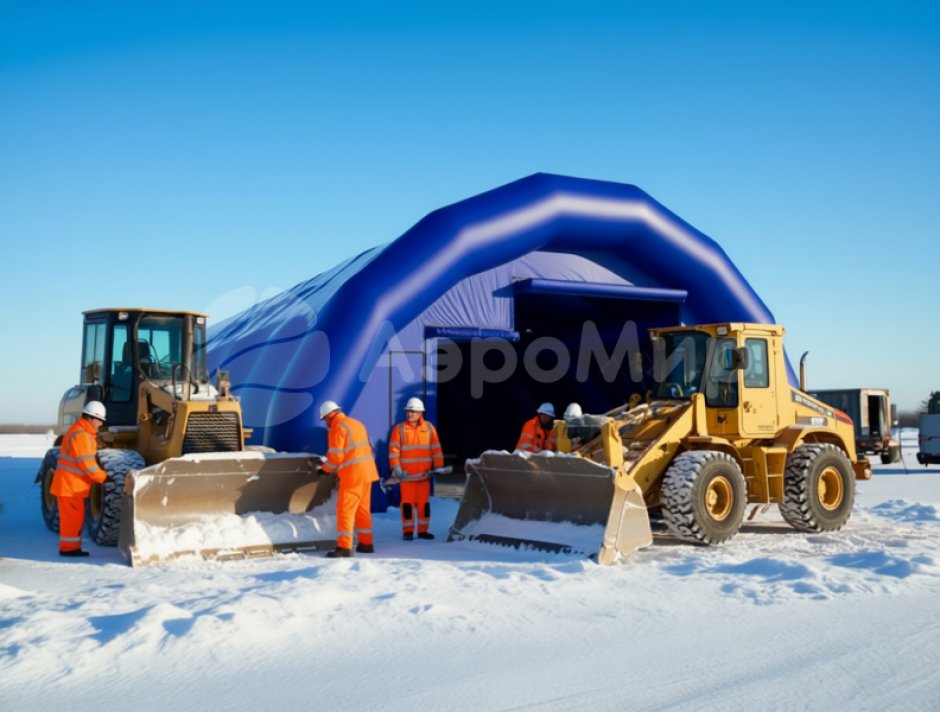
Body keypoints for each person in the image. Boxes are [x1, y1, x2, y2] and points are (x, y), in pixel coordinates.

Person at [318, 400, 379, 558]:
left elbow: (336, 457)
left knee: (345, 510)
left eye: (325, 419)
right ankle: (366, 544)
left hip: (353, 475)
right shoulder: (356, 423)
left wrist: (325, 470)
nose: (325, 423)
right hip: (368, 473)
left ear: (330, 415)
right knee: (362, 510)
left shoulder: (337, 428)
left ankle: (344, 547)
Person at [50, 401, 108, 557]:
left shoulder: (81, 431)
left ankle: (71, 547)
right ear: (91, 418)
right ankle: (69, 549)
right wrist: (104, 478)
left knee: (73, 519)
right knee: (72, 520)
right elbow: (87, 465)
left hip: (71, 486)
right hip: (70, 486)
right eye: (100, 420)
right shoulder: (81, 435)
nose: (101, 424)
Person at [388, 397, 444, 541]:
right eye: (408, 411)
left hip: (424, 477)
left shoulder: (430, 428)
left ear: (420, 413)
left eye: (412, 411)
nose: (409, 414)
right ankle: (408, 531)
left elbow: (436, 449)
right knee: (407, 506)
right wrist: (396, 468)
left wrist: (438, 466)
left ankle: (423, 531)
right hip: (407, 477)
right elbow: (394, 451)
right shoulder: (399, 429)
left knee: (424, 506)